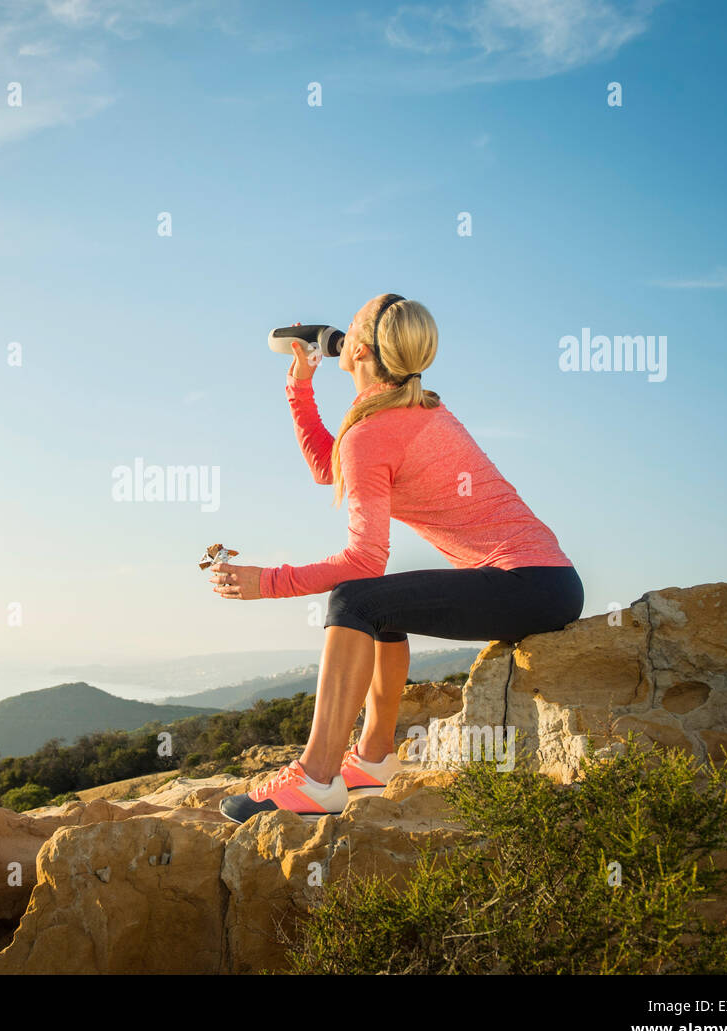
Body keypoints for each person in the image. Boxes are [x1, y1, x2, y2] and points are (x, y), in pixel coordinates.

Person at [211, 293, 584, 825]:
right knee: (381, 605)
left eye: (354, 321)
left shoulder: (376, 429)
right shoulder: (413, 405)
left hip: (526, 584)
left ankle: (317, 778)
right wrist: (300, 384)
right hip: (545, 583)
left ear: (359, 347)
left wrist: (268, 581)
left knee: (354, 598)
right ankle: (373, 758)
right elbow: (330, 465)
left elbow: (362, 559)